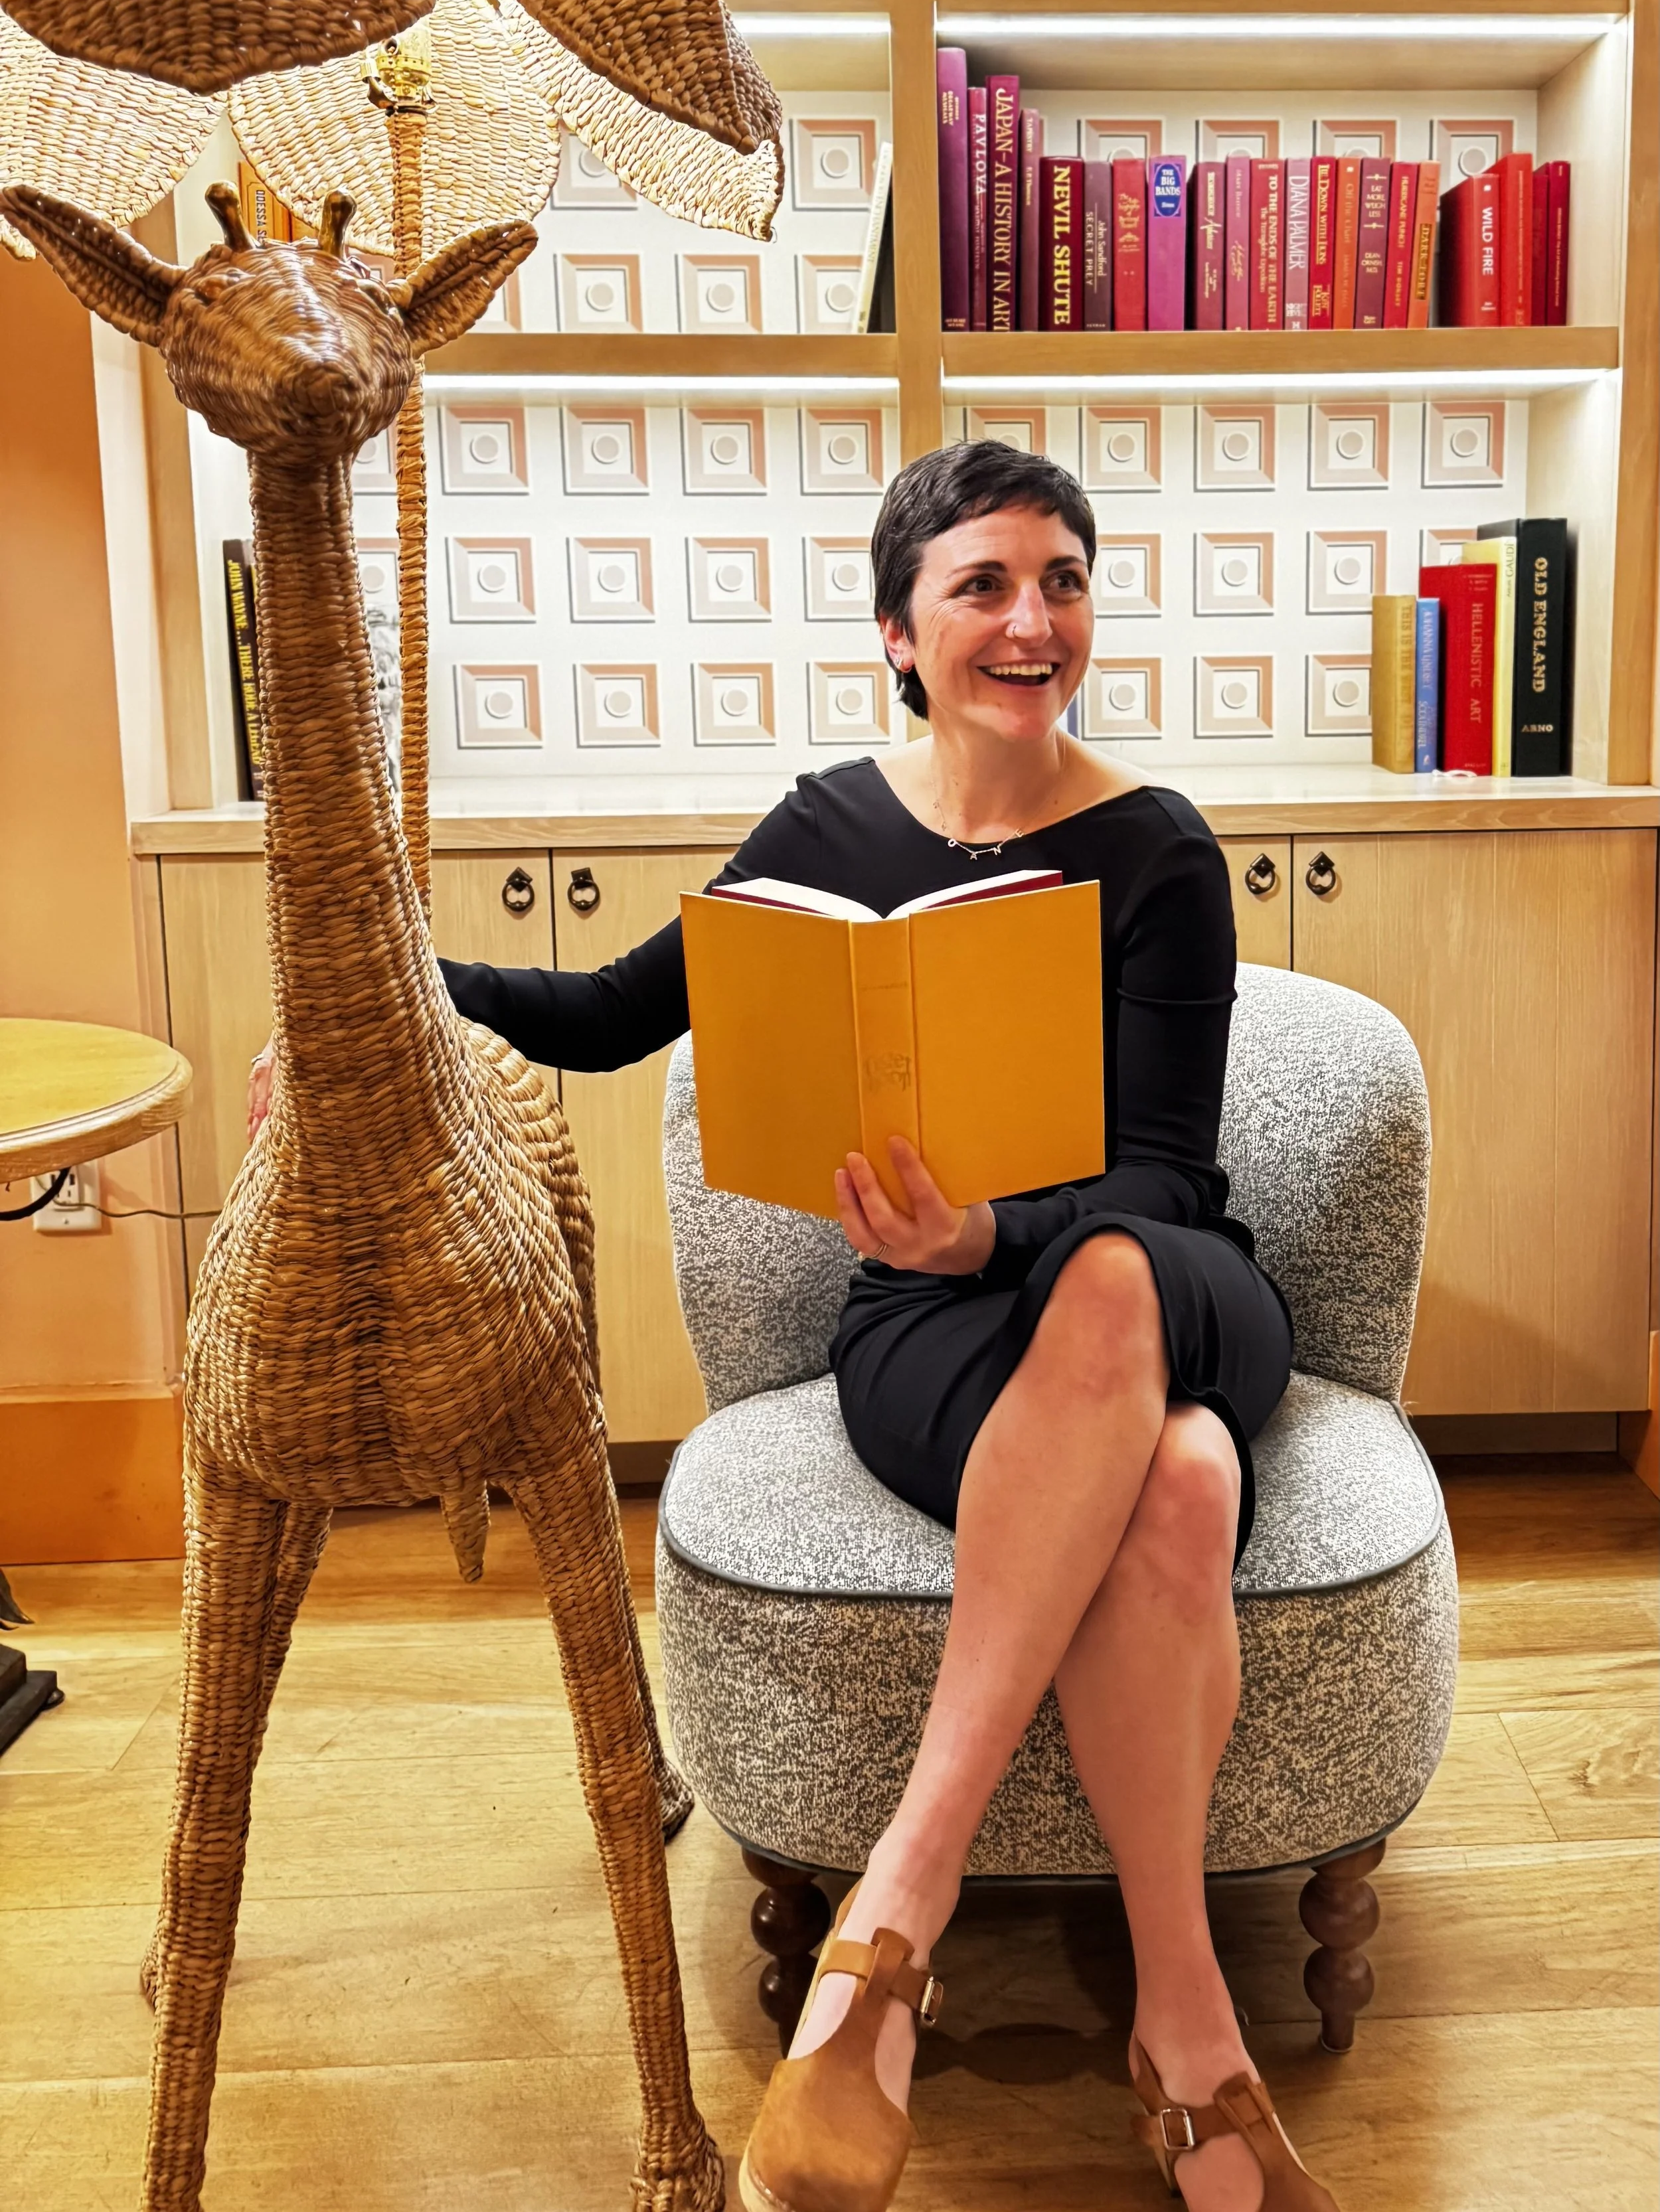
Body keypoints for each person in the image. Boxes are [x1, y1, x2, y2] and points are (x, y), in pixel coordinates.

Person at [248, 438, 1333, 2212]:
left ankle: (896, 1903)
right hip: (931, 1329)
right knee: (1184, 1497)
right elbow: (602, 1014)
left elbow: (1159, 1174)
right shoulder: (824, 830)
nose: (1028, 617)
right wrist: (376, 998)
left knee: (1123, 1286)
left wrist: (999, 1218)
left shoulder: (1160, 852)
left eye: (1058, 577)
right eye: (980, 583)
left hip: (1159, 1280)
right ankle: (1186, 2034)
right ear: (897, 632)